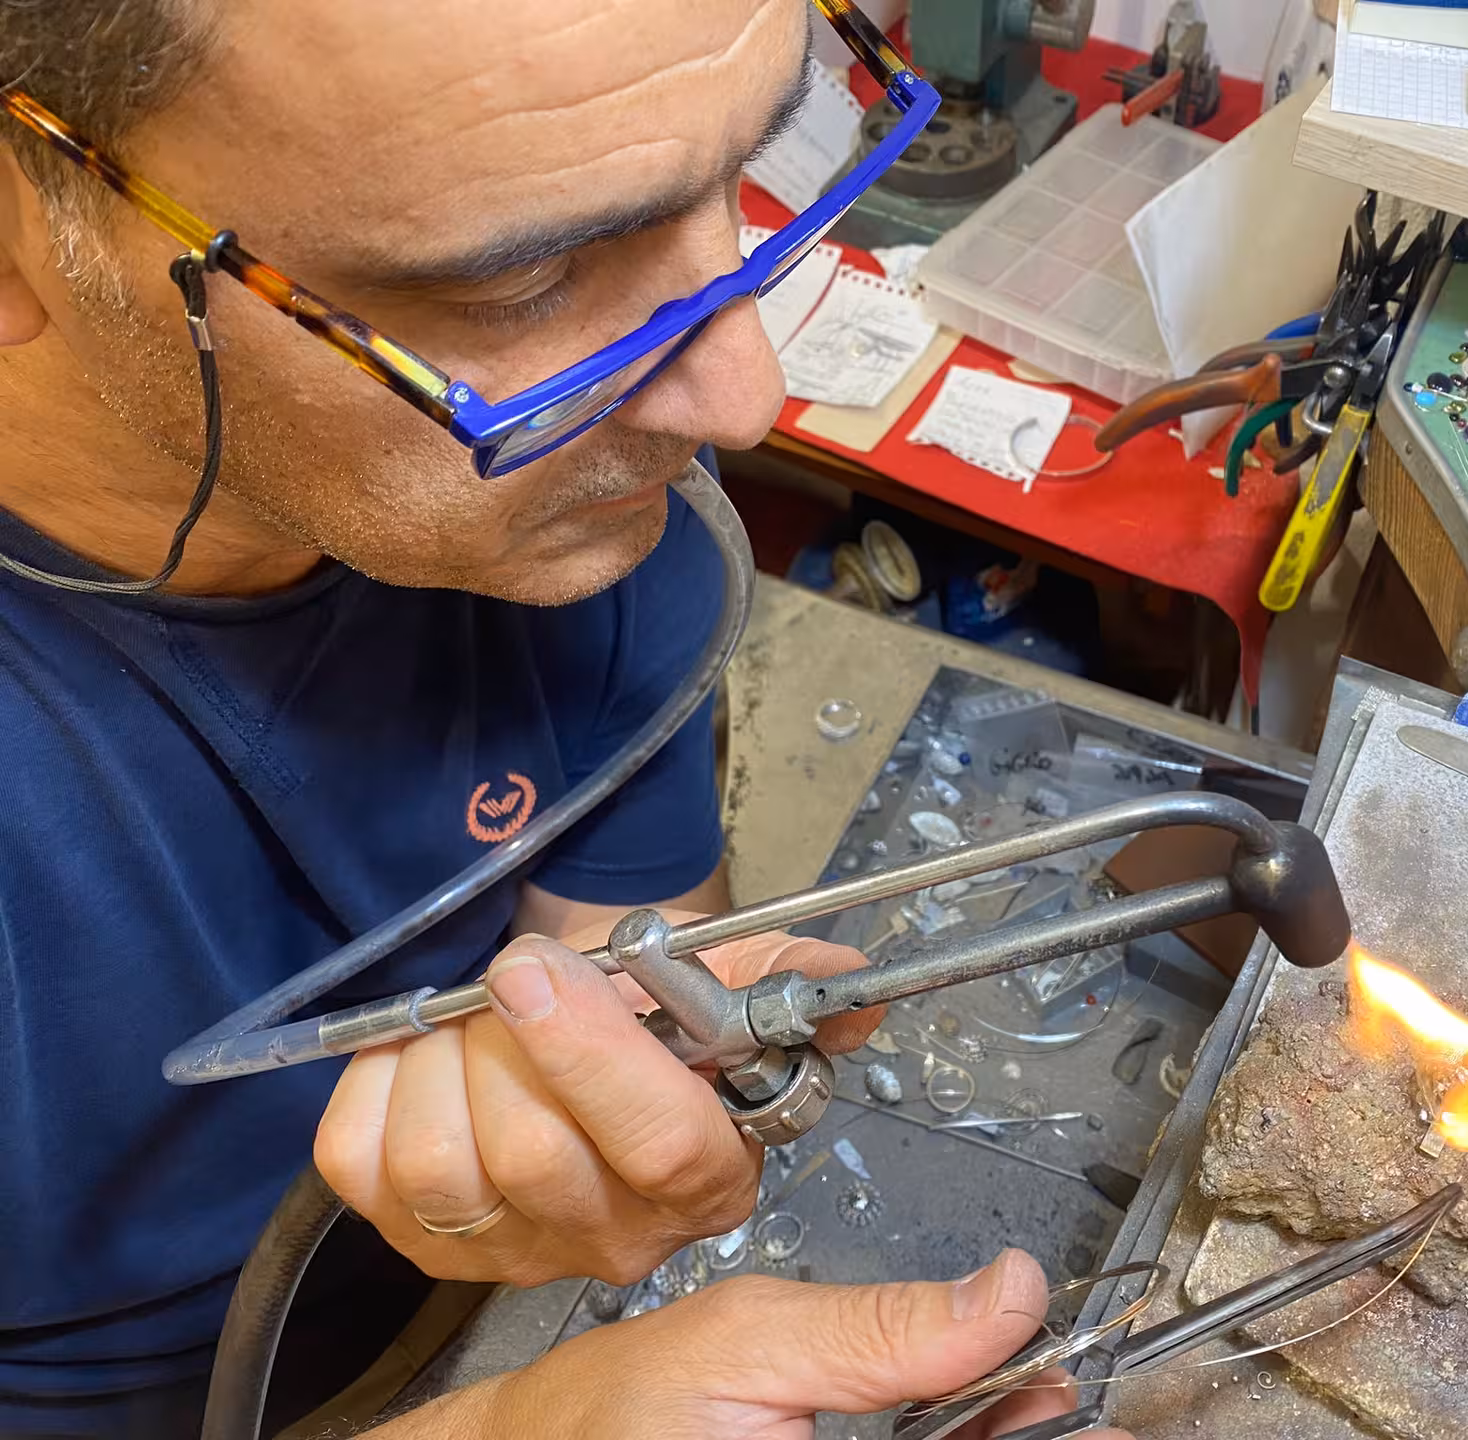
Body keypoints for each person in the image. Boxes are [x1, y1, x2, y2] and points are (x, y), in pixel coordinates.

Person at [0, 1, 1129, 1435]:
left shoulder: (568, 520)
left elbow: (626, 951)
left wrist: (633, 1091)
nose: (744, 398)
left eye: (748, 164)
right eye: (526, 277)